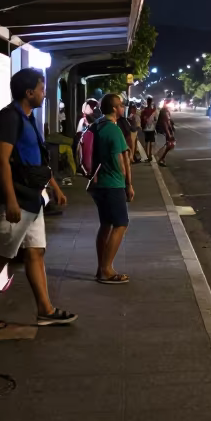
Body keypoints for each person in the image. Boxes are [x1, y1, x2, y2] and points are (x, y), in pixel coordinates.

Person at [0, 68, 76, 330]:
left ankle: (45, 310)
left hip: (33, 200)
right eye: (42, 89)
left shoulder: (29, 118)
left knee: (35, 252)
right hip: (17, 200)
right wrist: (10, 200)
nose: (45, 94)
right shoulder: (10, 118)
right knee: (2, 255)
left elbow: (37, 160)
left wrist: (54, 186)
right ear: (28, 92)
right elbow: (1, 161)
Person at [87, 93, 133, 284]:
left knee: (106, 224)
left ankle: (101, 268)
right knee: (121, 224)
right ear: (114, 108)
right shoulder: (114, 130)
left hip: (98, 184)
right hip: (112, 183)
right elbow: (122, 161)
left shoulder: (96, 125)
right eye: (121, 105)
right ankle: (107, 269)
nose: (123, 108)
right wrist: (128, 184)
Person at [139, 97, 158, 163]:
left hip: (146, 129)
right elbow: (155, 119)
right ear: (151, 102)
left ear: (147, 102)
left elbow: (141, 120)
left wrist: (142, 127)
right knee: (151, 142)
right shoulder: (153, 111)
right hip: (152, 128)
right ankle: (150, 155)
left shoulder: (144, 111)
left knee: (147, 142)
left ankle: (147, 156)